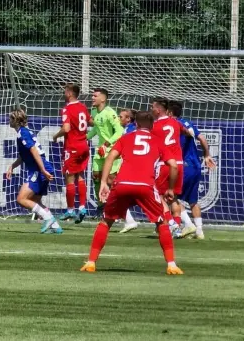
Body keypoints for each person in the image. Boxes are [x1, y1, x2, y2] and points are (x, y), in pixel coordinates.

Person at [80, 111, 183, 275]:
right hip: (145, 186)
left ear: (136, 125)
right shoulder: (158, 141)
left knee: (106, 221)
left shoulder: (126, 138)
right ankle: (171, 264)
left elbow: (110, 157)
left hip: (122, 184)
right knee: (162, 223)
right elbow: (174, 165)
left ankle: (91, 262)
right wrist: (170, 188)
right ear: (152, 126)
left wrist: (104, 184)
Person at [167, 101, 216, 239]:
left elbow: (189, 135)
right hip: (195, 166)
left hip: (184, 166)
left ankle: (188, 224)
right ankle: (199, 231)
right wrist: (206, 154)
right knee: (192, 200)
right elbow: (201, 137)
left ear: (169, 113)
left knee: (170, 197)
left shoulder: (172, 125)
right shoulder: (188, 122)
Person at [9, 108, 61, 234]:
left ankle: (48, 218)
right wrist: (12, 166)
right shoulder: (23, 133)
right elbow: (24, 156)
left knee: (21, 199)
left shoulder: (23, 133)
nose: (8, 120)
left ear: (15, 120)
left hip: (39, 168)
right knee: (36, 201)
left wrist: (42, 170)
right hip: (41, 167)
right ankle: (56, 227)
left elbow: (33, 151)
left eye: (10, 118)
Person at [151, 97, 190, 238]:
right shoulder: (175, 122)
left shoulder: (154, 126)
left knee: (158, 196)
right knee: (173, 198)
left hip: (165, 164)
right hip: (179, 164)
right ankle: (178, 228)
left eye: (152, 107)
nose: (151, 109)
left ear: (158, 109)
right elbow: (187, 132)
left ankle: (172, 224)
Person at [52, 83, 91, 224]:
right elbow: (90, 121)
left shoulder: (67, 109)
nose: (64, 93)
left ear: (69, 93)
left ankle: (70, 209)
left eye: (65, 91)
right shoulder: (83, 107)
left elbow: (66, 128)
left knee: (69, 178)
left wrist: (56, 136)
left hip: (72, 147)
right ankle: (82, 208)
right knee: (80, 176)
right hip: (84, 146)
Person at [87, 88, 124, 216]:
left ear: (103, 99)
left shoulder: (110, 113)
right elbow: (96, 130)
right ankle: (102, 205)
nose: (92, 98)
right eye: (92, 95)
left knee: (110, 180)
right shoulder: (93, 112)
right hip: (100, 150)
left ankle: (116, 206)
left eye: (95, 96)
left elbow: (120, 132)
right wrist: (84, 138)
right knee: (96, 176)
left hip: (112, 149)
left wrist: (107, 143)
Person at [116, 108, 140, 234]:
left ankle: (172, 224)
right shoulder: (138, 129)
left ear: (128, 119)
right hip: (142, 166)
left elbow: (124, 148)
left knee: (117, 193)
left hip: (132, 167)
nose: (119, 118)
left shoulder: (128, 131)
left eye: (121, 116)